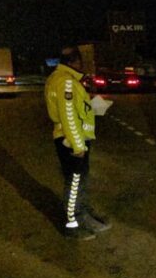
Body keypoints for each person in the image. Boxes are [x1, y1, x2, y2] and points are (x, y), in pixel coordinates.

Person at [44, 45, 110, 240]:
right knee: (74, 184)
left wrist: (90, 104)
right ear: (74, 61)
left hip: (76, 138)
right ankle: (72, 226)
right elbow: (69, 116)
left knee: (80, 182)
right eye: (81, 61)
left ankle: (84, 215)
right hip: (72, 141)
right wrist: (78, 145)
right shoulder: (66, 82)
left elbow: (75, 108)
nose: (82, 65)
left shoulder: (63, 79)